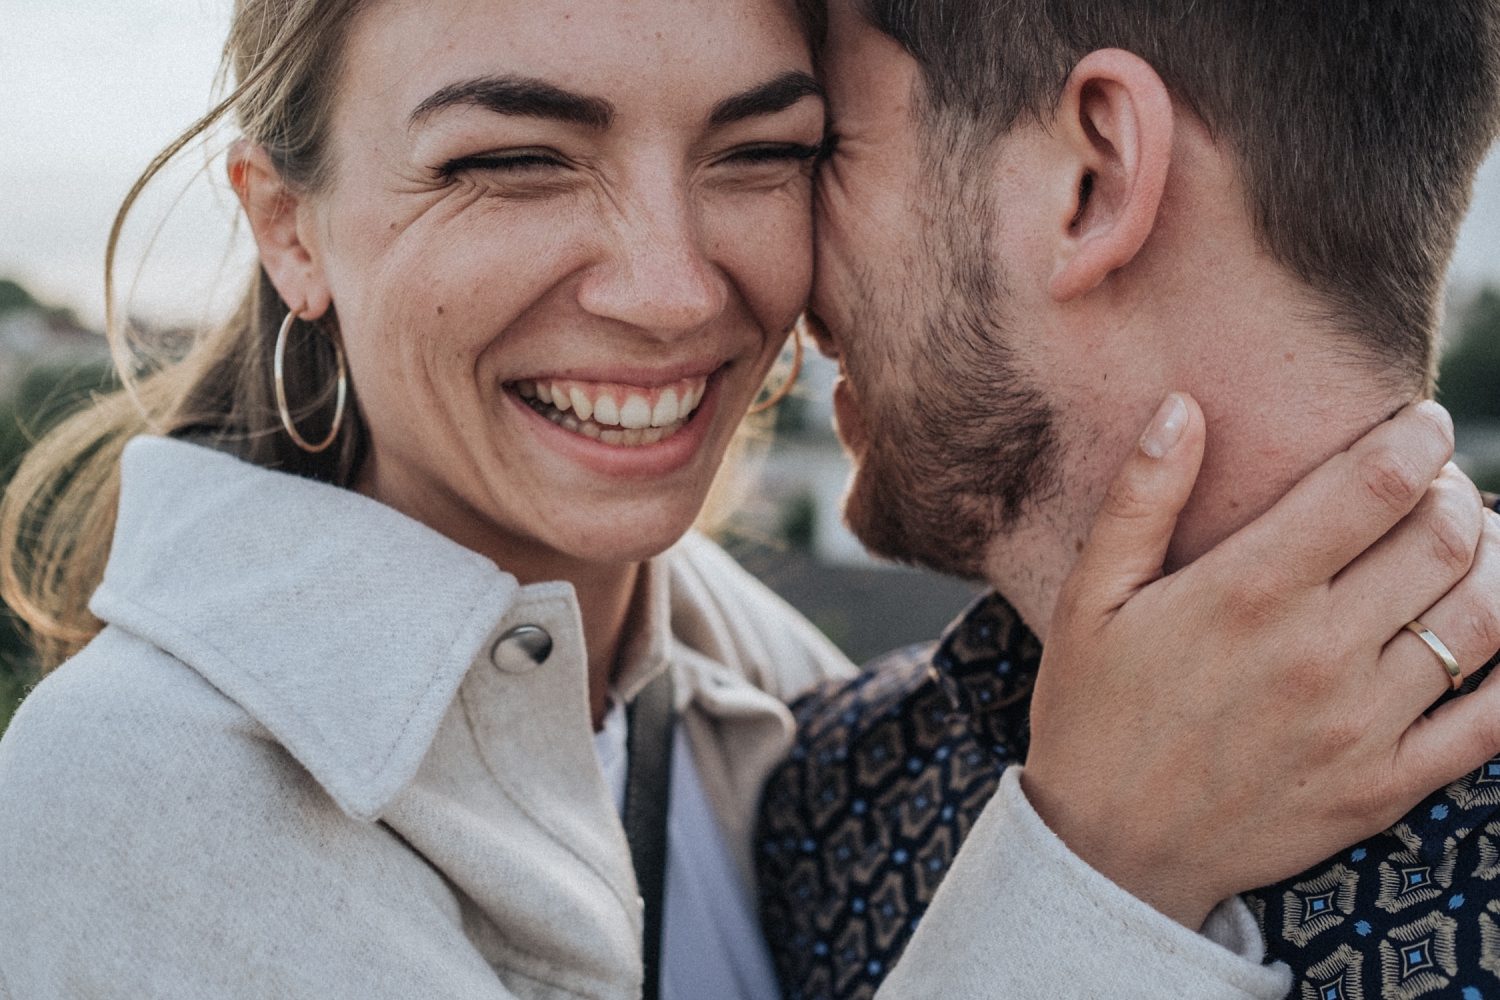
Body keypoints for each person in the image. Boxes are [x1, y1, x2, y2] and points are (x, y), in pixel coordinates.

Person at [0, 1, 1496, 999]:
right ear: (289, 228)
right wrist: (1099, 876)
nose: (670, 289)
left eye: (771, 152)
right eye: (514, 158)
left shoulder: (783, 704)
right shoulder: (134, 796)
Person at [757, 1, 1500, 998]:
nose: (783, 263)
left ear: (1094, 179)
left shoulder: (828, 806)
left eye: (826, 147)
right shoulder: (823, 807)